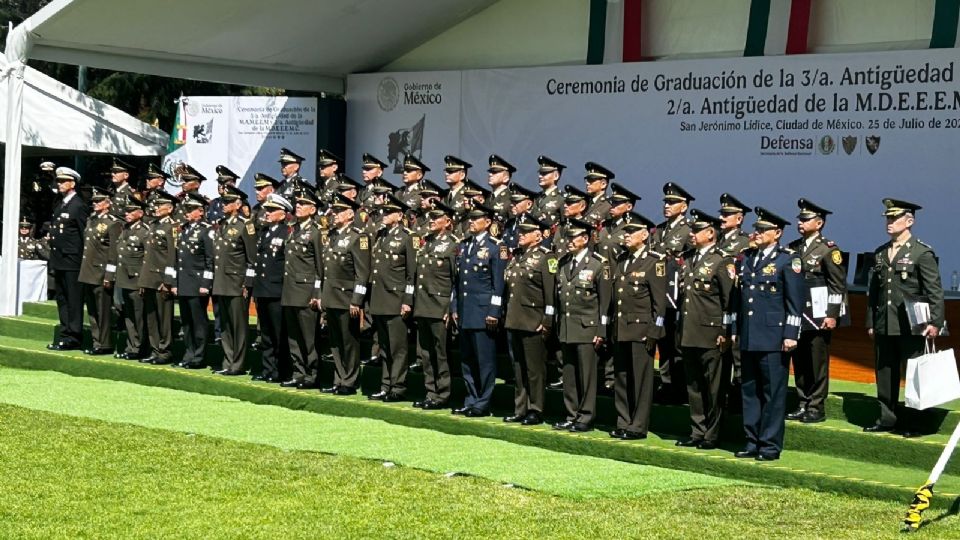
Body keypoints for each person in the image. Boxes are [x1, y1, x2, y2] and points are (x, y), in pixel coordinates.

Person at [865, 198, 944, 438]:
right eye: (887, 218)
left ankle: (915, 423)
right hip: (885, 322)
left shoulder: (921, 252)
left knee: (914, 375)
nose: (889, 222)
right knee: (885, 373)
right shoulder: (881, 252)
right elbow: (874, 292)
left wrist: (935, 322)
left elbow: (934, 290)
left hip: (912, 325)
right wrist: (871, 322)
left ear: (909, 221)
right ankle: (886, 418)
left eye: (894, 218)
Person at [731, 207, 804, 461]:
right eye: (757, 229)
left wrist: (791, 333)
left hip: (774, 337)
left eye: (764, 229)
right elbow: (740, 299)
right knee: (750, 391)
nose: (758, 233)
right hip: (750, 334)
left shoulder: (787, 260)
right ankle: (752, 441)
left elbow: (795, 302)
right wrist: (735, 329)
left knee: (773, 394)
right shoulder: (747, 258)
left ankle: (770, 445)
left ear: (778, 233)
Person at [675, 210, 736, 449]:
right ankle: (697, 430)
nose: (691, 234)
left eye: (696, 230)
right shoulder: (688, 258)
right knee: (694, 386)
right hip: (689, 332)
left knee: (714, 387)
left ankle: (712, 434)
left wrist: (725, 331)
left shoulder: (722, 260)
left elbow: (729, 301)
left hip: (712, 334)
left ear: (710, 233)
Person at [786, 199, 848, 424]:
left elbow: (837, 285)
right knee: (800, 360)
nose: (800, 223)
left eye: (805, 219)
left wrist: (832, 314)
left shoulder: (828, 249)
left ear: (819, 223)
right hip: (798, 315)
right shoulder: (793, 247)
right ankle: (803, 402)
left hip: (819, 315)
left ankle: (816, 407)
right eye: (799, 219)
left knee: (817, 361)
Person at [552, 218, 612, 432]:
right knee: (569, 375)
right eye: (567, 237)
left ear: (585, 239)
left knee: (586, 376)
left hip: (588, 328)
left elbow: (605, 302)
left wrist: (601, 330)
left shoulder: (598, 263)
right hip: (567, 326)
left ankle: (585, 417)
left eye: (573, 237)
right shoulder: (563, 262)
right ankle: (571, 414)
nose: (569, 241)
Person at [610, 213, 666, 440]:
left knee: (641, 380)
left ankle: (638, 425)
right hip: (621, 328)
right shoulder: (622, 259)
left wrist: (654, 331)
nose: (626, 236)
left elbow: (659, 304)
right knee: (622, 378)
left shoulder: (654, 261)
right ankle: (623, 420)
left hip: (641, 330)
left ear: (644, 235)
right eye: (625, 232)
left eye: (631, 232)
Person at [452, 204, 507, 417]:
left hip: (483, 312)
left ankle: (483, 402)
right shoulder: (464, 245)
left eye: (476, 218)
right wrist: (455, 306)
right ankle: (471, 398)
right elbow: (458, 282)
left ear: (488, 221)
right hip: (466, 310)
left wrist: (494, 311)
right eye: (470, 218)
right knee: (467, 360)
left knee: (485, 361)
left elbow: (498, 284)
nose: (471, 222)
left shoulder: (495, 247)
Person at [502, 215, 556, 426]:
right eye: (520, 231)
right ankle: (520, 407)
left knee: (534, 370)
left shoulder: (546, 257)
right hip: (514, 318)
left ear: (538, 235)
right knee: (518, 368)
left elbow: (550, 293)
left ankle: (536, 409)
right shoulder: (517, 256)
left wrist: (547, 320)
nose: (520, 235)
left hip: (533, 320)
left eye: (526, 232)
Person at [320, 194, 371, 395]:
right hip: (331, 295)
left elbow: (362, 273)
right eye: (334, 211)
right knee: (335, 342)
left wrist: (356, 300)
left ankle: (349, 381)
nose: (335, 214)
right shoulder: (333, 235)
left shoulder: (358, 237)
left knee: (348, 342)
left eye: (339, 211)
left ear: (350, 214)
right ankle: (339, 378)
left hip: (346, 297)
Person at [367, 195, 416, 402]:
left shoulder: (408, 237)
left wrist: (407, 300)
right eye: (383, 211)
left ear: (399, 215)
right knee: (385, 347)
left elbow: (411, 274)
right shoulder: (381, 234)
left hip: (396, 299)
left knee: (398, 348)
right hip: (380, 298)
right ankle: (386, 385)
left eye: (389, 212)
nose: (384, 215)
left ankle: (398, 387)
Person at [412, 203, 459, 410]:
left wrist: (450, 307)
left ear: (447, 222)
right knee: (425, 352)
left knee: (440, 352)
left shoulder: (453, 244)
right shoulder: (427, 242)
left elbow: (456, 280)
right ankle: (430, 391)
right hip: (423, 304)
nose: (431, 221)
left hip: (440, 305)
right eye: (430, 217)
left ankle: (443, 393)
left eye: (436, 218)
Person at [651, 181, 695, 404]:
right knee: (663, 342)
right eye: (666, 202)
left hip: (677, 297)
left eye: (672, 202)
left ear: (684, 206)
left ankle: (680, 387)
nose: (667, 206)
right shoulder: (659, 230)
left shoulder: (689, 231)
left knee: (677, 345)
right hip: (660, 296)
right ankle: (666, 383)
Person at [280, 190, 324, 389]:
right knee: (294, 337)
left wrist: (317, 293)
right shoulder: (293, 229)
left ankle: (312, 375)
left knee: (308, 338)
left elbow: (320, 267)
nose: (298, 206)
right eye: (297, 203)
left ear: (312, 209)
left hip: (306, 291)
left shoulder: (316, 232)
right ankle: (298, 372)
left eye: (303, 204)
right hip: (290, 290)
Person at [212, 185, 256, 376]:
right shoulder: (222, 224)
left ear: (238, 205)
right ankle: (228, 360)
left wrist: (247, 283)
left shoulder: (245, 225)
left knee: (238, 326)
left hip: (237, 282)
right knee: (225, 325)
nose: (224, 205)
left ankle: (238, 363)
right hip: (221, 281)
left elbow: (252, 258)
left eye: (228, 202)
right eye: (223, 201)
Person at [167, 193, 214, 369]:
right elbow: (177, 259)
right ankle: (189, 353)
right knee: (186, 321)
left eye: (190, 209)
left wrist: (205, 284)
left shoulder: (206, 230)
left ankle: (199, 356)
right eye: (186, 209)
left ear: (200, 211)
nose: (186, 212)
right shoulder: (184, 229)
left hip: (197, 283)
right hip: (183, 282)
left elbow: (210, 260)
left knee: (198, 322)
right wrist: (174, 283)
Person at [717, 193, 752, 411]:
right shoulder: (716, 238)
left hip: (736, 303)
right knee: (720, 355)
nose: (722, 217)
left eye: (727, 214)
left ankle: (738, 401)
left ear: (739, 219)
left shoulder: (745, 242)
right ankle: (721, 397)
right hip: (717, 305)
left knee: (737, 355)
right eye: (721, 213)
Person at [47, 167, 88, 351]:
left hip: (72, 260)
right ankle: (65, 333)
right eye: (58, 181)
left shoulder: (78, 205)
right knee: (62, 299)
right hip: (59, 259)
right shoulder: (61, 203)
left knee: (73, 299)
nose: (59, 184)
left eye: (63, 181)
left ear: (73, 183)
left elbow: (83, 233)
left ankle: (74, 336)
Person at [252, 194, 291, 383]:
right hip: (262, 289)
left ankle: (282, 371)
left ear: (282, 214)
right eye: (266, 210)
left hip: (276, 290)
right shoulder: (264, 232)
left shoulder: (286, 232)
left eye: (272, 210)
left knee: (279, 334)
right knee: (266, 334)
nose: (267, 213)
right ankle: (268, 369)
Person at [78, 186, 122, 355]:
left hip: (101, 271)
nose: (95, 203)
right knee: (92, 310)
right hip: (88, 271)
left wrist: (109, 275)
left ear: (107, 203)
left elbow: (113, 252)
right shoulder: (91, 220)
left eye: (99, 201)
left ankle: (105, 343)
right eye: (94, 201)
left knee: (103, 310)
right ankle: (97, 341)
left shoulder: (113, 223)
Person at [139, 190, 178, 365]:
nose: (156, 208)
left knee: (164, 318)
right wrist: (143, 280)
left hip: (162, 279)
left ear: (169, 209)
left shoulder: (172, 227)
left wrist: (168, 281)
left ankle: (165, 350)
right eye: (155, 205)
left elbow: (172, 256)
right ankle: (155, 349)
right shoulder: (153, 225)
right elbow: (147, 256)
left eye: (160, 205)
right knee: (151, 317)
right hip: (149, 278)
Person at [111, 196, 149, 360]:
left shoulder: (144, 231)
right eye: (126, 211)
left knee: (138, 315)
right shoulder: (125, 229)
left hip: (136, 279)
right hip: (124, 277)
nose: (127, 214)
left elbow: (147, 259)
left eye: (130, 211)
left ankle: (140, 347)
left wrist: (143, 281)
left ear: (140, 213)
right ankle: (131, 345)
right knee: (128, 315)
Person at [532, 155, 565, 232]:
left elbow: (564, 224)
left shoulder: (562, 198)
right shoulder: (536, 198)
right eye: (540, 173)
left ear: (556, 176)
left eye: (544, 173)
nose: (540, 176)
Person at [442, 155, 472, 233]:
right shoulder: (443, 194)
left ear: (462, 175)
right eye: (446, 171)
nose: (446, 174)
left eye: (451, 171)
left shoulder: (469, 194)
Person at [486, 154, 515, 224]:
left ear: (506, 178)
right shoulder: (488, 198)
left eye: (495, 172)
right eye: (490, 172)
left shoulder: (510, 199)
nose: (490, 174)